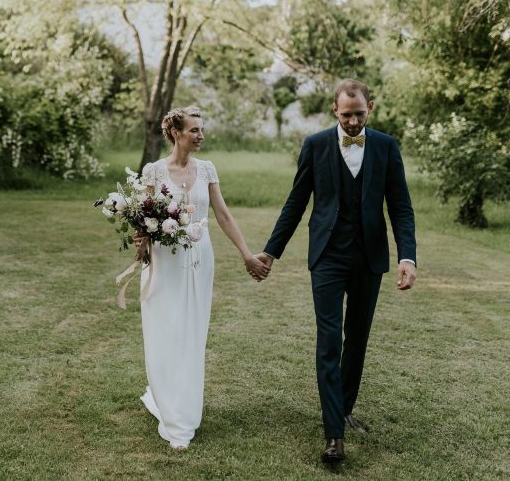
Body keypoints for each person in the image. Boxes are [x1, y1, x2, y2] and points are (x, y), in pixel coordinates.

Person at [256, 79, 417, 463]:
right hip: (327, 255)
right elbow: (296, 202)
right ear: (334, 111)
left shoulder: (386, 147)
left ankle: (343, 408)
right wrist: (270, 252)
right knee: (330, 341)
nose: (353, 122)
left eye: (359, 114)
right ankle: (334, 435)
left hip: (368, 258)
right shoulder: (314, 146)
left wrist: (407, 257)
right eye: (346, 115)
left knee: (357, 338)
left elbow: (401, 207)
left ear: (370, 108)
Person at [134, 106, 270, 450]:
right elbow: (144, 218)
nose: (201, 136)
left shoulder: (207, 169)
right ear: (175, 133)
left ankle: (184, 406)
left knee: (192, 332)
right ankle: (169, 406)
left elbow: (222, 214)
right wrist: (141, 239)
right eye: (194, 130)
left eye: (202, 130)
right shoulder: (154, 171)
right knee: (165, 329)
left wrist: (246, 254)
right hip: (164, 261)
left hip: (199, 259)